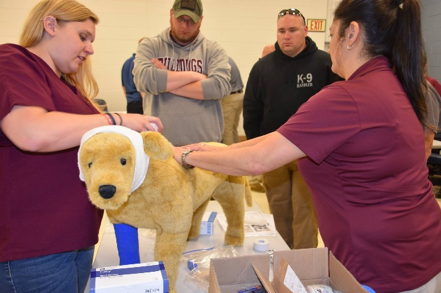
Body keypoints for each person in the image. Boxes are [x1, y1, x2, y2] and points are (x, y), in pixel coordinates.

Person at [173, 0, 441, 292]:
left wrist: (187, 156)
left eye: (331, 33)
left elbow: (258, 161)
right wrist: (209, 150)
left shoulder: (347, 97)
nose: (329, 43)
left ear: (351, 34)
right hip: (422, 252)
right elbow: (277, 138)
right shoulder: (397, 85)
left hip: (380, 267)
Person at [0, 1, 162, 292]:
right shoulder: (13, 60)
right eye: (83, 36)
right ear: (50, 25)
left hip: (75, 237)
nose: (90, 49)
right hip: (35, 245)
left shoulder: (66, 85)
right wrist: (115, 119)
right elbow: (32, 133)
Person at [243, 8, 341, 249]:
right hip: (272, 153)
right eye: (282, 31)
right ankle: (282, 260)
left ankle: (303, 267)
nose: (286, 36)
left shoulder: (325, 63)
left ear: (306, 31)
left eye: (293, 30)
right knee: (278, 211)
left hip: (310, 154)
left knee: (305, 213)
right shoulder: (262, 67)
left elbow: (340, 108)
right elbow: (252, 108)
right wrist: (255, 146)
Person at [133, 0, 231, 146]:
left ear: (201, 20)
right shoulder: (151, 46)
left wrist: (166, 80)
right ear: (171, 14)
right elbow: (144, 80)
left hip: (205, 146)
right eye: (180, 19)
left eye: (191, 20)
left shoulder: (213, 50)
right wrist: (194, 76)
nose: (185, 26)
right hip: (160, 147)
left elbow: (219, 86)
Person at [221, 56, 244, 146]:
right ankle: (236, 151)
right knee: (233, 128)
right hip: (239, 96)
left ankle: (228, 155)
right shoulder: (228, 59)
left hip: (230, 98)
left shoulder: (222, 62)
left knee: (226, 130)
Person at [121, 37, 146, 114]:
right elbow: (141, 87)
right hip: (141, 104)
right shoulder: (140, 63)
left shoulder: (126, 62)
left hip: (130, 104)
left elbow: (123, 86)